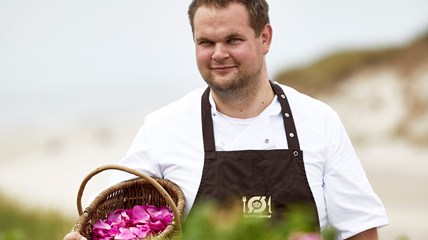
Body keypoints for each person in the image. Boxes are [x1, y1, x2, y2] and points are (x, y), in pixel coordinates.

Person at [64, 0, 388, 239]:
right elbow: (111, 220)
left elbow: (360, 229)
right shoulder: (163, 128)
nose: (218, 54)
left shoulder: (318, 121)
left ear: (265, 39)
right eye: (206, 42)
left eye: (233, 40)